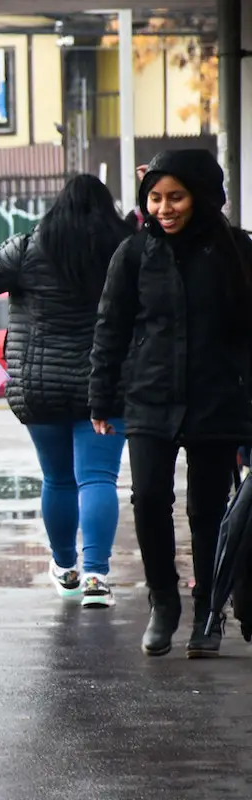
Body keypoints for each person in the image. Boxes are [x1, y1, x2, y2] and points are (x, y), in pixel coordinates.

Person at [90, 148, 252, 658]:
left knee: (208, 512)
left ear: (200, 197)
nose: (165, 208)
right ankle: (164, 601)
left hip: (217, 399)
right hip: (150, 398)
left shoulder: (238, 252)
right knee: (149, 501)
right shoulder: (134, 254)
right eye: (156, 198)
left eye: (175, 196)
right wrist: (100, 395)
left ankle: (209, 612)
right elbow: (110, 328)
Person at [0, 174, 132, 608]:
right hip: (106, 383)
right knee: (98, 478)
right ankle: (97, 577)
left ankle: (66, 568)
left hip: (40, 386)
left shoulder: (29, 247)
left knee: (58, 479)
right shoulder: (124, 245)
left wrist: (21, 243)